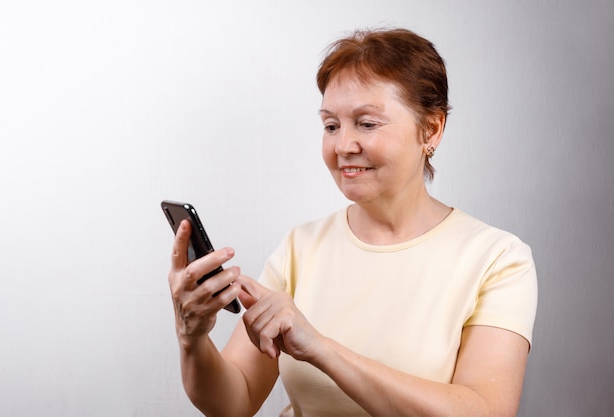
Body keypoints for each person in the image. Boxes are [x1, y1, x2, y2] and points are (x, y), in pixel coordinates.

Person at [168, 28, 538, 417]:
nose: (343, 146)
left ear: (431, 129)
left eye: (366, 123)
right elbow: (234, 402)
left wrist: (320, 347)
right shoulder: (301, 247)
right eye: (331, 125)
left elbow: (484, 411)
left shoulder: (497, 259)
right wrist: (192, 339)